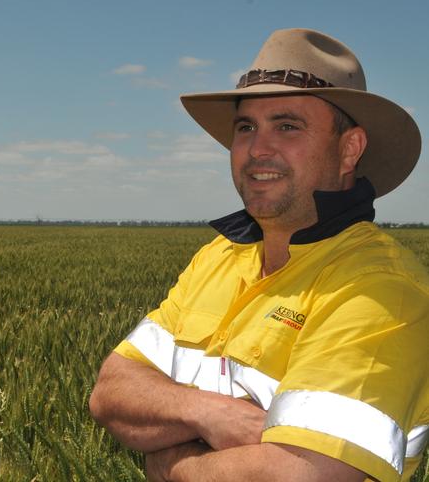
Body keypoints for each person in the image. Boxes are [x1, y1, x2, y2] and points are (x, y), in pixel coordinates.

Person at [89, 28, 429, 482]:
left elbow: (298, 476)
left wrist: (168, 462)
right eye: (246, 127)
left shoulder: (380, 291)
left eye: (287, 126)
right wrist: (211, 413)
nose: (257, 148)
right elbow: (111, 393)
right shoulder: (219, 256)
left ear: (350, 149)